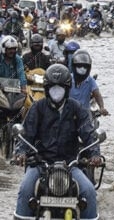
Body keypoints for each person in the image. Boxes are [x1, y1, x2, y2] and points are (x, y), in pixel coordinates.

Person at [13, 64, 102, 219]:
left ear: (67, 89)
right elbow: (26, 135)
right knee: (25, 190)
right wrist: (20, 153)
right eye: (52, 87)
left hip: (70, 164)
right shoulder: (37, 108)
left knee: (89, 191)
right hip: (41, 164)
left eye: (60, 87)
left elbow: (88, 133)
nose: (56, 91)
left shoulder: (76, 107)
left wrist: (95, 154)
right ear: (46, 89)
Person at [69, 49, 109, 116]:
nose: (82, 69)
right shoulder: (68, 78)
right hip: (68, 113)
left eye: (85, 67)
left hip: (84, 114)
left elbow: (97, 94)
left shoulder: (90, 80)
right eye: (79, 66)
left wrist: (102, 107)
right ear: (74, 66)